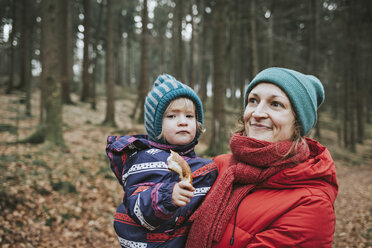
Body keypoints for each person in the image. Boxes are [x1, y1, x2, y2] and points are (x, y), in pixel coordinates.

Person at [186, 67, 338, 248]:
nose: (257, 113)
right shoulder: (219, 165)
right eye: (253, 100)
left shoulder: (312, 205)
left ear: (298, 122)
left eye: (275, 104)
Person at [106, 74, 218, 248]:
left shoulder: (197, 164)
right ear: (156, 125)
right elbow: (137, 206)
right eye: (172, 116)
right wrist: (167, 197)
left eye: (189, 116)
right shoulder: (144, 159)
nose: (182, 122)